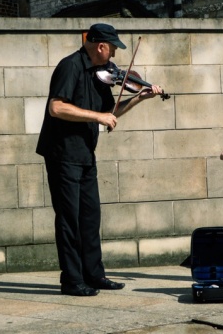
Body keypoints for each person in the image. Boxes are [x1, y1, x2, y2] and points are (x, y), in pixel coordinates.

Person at [36, 23, 163, 296]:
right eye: (114, 48)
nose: (115, 55)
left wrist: (140, 96)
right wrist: (98, 117)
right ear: (101, 46)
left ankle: (94, 275)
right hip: (62, 153)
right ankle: (72, 280)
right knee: (69, 219)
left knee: (91, 217)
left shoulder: (100, 74)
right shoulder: (70, 66)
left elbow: (111, 112)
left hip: (84, 154)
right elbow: (56, 108)